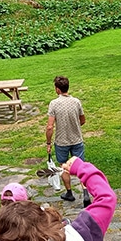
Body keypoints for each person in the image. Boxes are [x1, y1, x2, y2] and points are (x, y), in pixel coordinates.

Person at [44, 76, 90, 206]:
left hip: (62, 142)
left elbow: (49, 126)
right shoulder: (76, 102)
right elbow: (83, 120)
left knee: (64, 166)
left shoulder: (54, 104)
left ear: (57, 89)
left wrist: (48, 143)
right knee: (81, 167)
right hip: (77, 139)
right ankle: (86, 192)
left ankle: (69, 193)